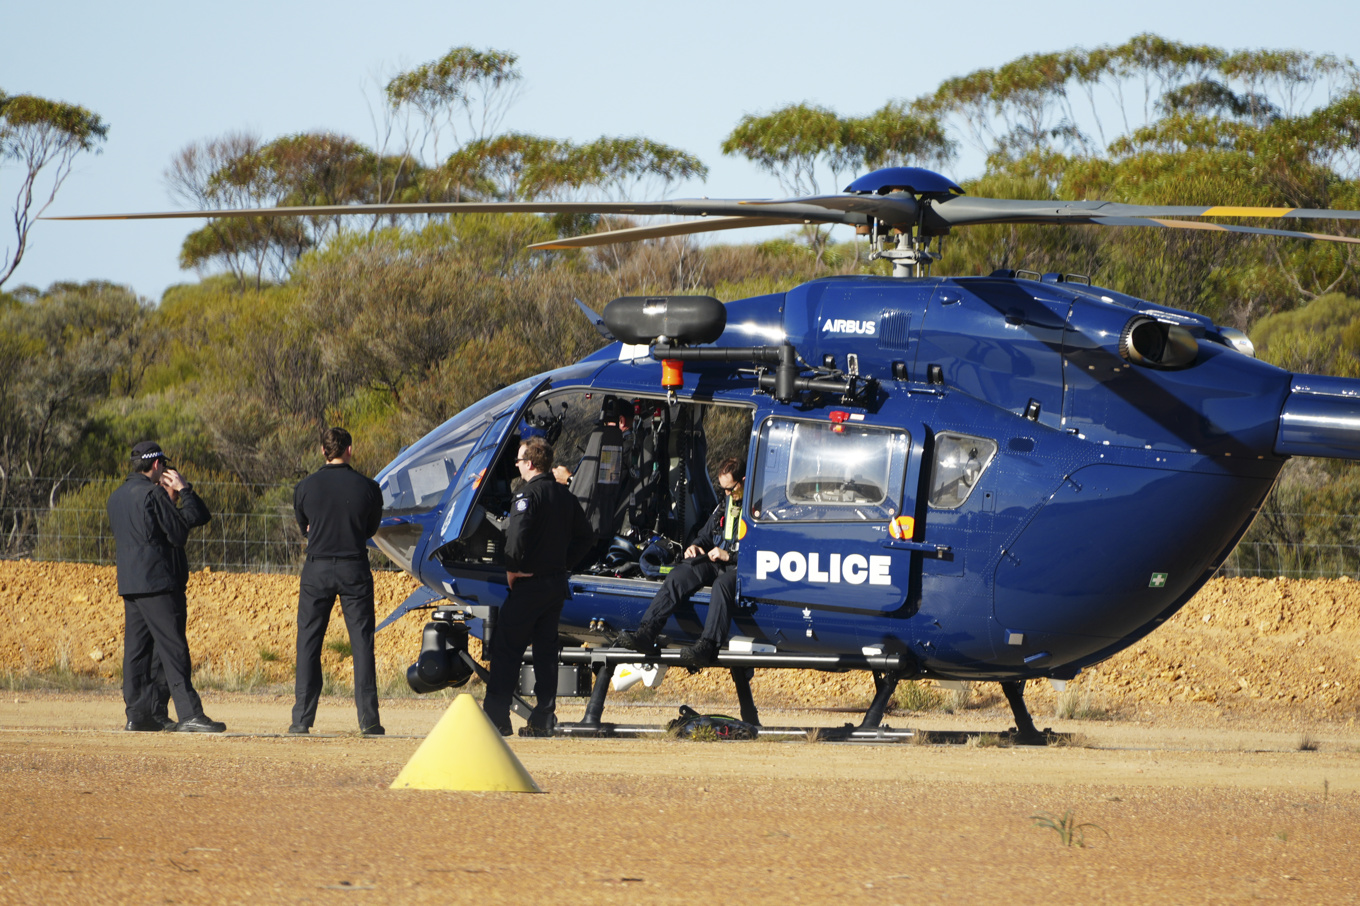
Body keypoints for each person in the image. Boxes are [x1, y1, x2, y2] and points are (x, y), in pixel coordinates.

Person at [107, 441, 224, 733]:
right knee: (173, 649)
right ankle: (190, 714)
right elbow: (179, 533)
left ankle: (138, 715)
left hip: (130, 582)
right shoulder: (152, 493)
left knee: (136, 652)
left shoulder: (117, 496)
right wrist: (183, 491)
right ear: (157, 464)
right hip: (157, 581)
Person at [482, 436, 593, 737]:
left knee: (505, 649)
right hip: (555, 585)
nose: (517, 465)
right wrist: (564, 563)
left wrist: (513, 569)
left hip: (529, 584)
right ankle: (544, 716)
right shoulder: (565, 496)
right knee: (546, 653)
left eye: (519, 461)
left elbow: (516, 537)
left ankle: (496, 717)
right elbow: (587, 537)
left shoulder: (526, 496)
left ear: (529, 464)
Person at [290, 426, 384, 736]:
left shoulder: (305, 487)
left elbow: (304, 524)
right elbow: (370, 529)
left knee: (308, 643)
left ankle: (301, 720)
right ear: (350, 450)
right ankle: (369, 721)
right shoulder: (369, 488)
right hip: (354, 567)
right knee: (361, 644)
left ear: (322, 451)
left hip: (316, 569)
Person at [616, 457, 745, 666]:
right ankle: (647, 631)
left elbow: (763, 552)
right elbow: (706, 535)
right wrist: (695, 546)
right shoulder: (725, 505)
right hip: (717, 561)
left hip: (741, 567)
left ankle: (708, 645)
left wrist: (729, 556)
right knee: (680, 573)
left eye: (730, 489)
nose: (727, 494)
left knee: (722, 586)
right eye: (724, 490)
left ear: (744, 481)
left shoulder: (757, 508)